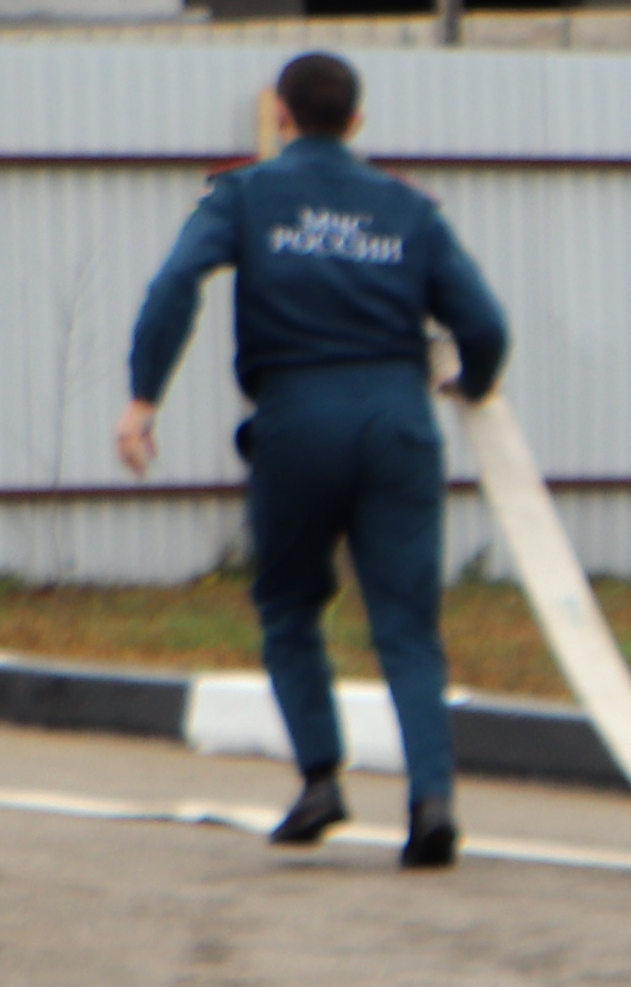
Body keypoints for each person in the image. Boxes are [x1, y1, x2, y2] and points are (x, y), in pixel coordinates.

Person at [119, 51, 510, 868]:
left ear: (282, 116)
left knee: (291, 606)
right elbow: (484, 323)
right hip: (398, 421)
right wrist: (471, 382)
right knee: (406, 621)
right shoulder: (409, 207)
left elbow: (175, 286)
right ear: (357, 122)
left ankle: (321, 780)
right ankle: (432, 799)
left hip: (296, 422)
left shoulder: (245, 193)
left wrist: (144, 397)